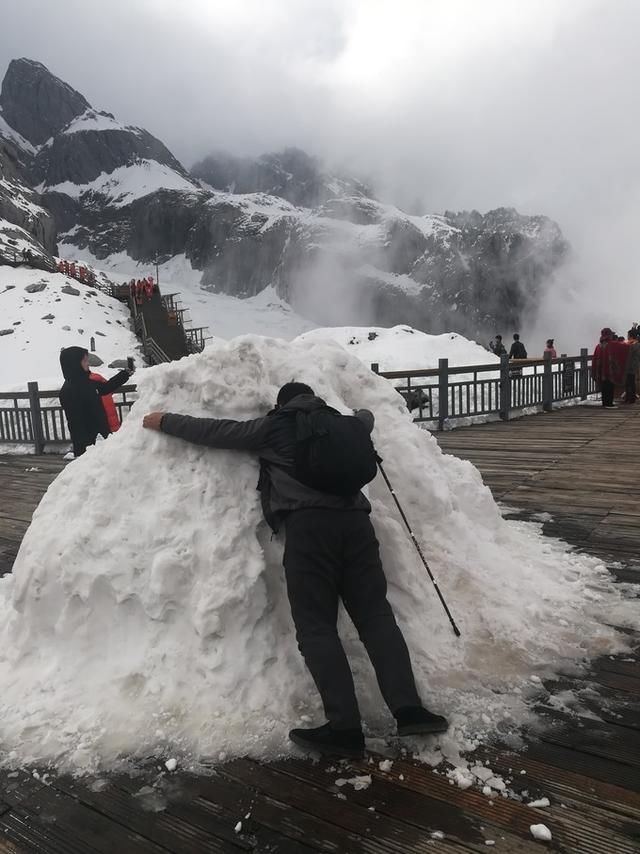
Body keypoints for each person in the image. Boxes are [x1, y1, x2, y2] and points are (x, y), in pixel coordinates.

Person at [142, 382, 448, 758]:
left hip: (309, 530)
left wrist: (165, 420)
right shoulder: (345, 425)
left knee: (317, 626)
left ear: (281, 403)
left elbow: (217, 431)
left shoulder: (274, 426)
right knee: (376, 617)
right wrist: (358, 415)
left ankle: (345, 729)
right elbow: (366, 418)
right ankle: (410, 711)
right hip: (357, 525)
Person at [59, 347, 132, 457]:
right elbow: (76, 424)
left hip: (101, 440)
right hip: (87, 446)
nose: (88, 363)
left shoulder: (89, 383)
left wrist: (125, 374)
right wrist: (85, 449)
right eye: (84, 360)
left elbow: (106, 388)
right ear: (74, 364)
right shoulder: (68, 391)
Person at [592, 328, 629, 408]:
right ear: (609, 335)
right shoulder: (612, 344)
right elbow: (625, 347)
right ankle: (609, 403)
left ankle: (605, 403)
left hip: (601, 371)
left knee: (604, 387)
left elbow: (595, 359)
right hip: (609, 370)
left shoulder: (598, 346)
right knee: (609, 386)